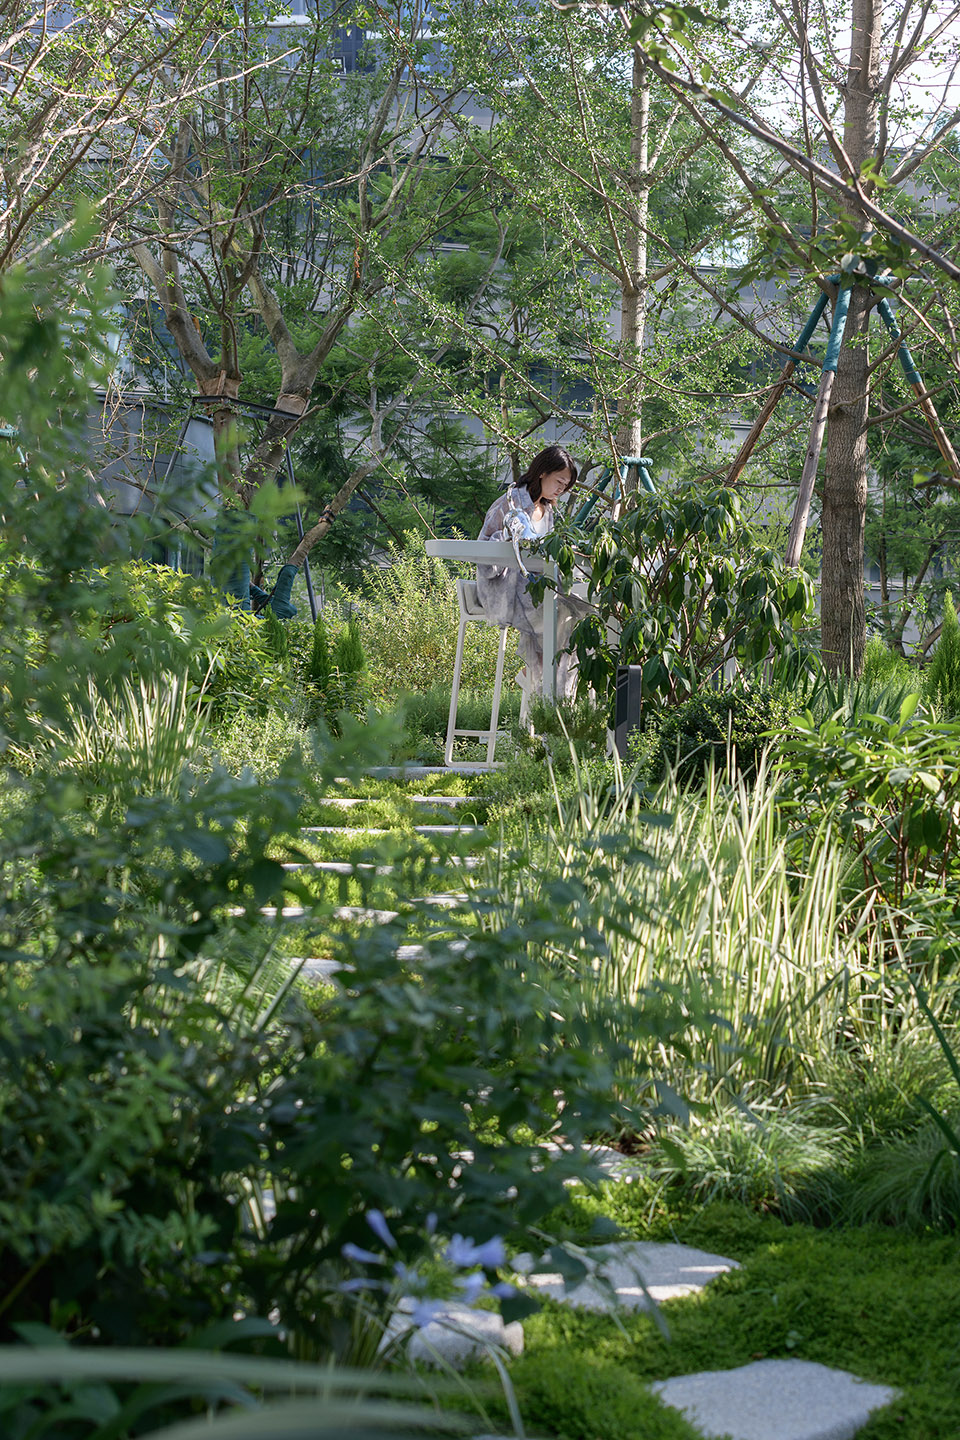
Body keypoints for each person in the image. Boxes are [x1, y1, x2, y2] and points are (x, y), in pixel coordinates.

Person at [476, 445, 587, 714]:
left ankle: (548, 691)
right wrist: (508, 541)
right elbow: (485, 555)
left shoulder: (547, 510)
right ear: (542, 473)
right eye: (559, 481)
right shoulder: (511, 502)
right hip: (506, 590)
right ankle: (551, 697)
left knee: (582, 615)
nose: (562, 488)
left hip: (534, 592)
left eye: (566, 484)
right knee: (562, 616)